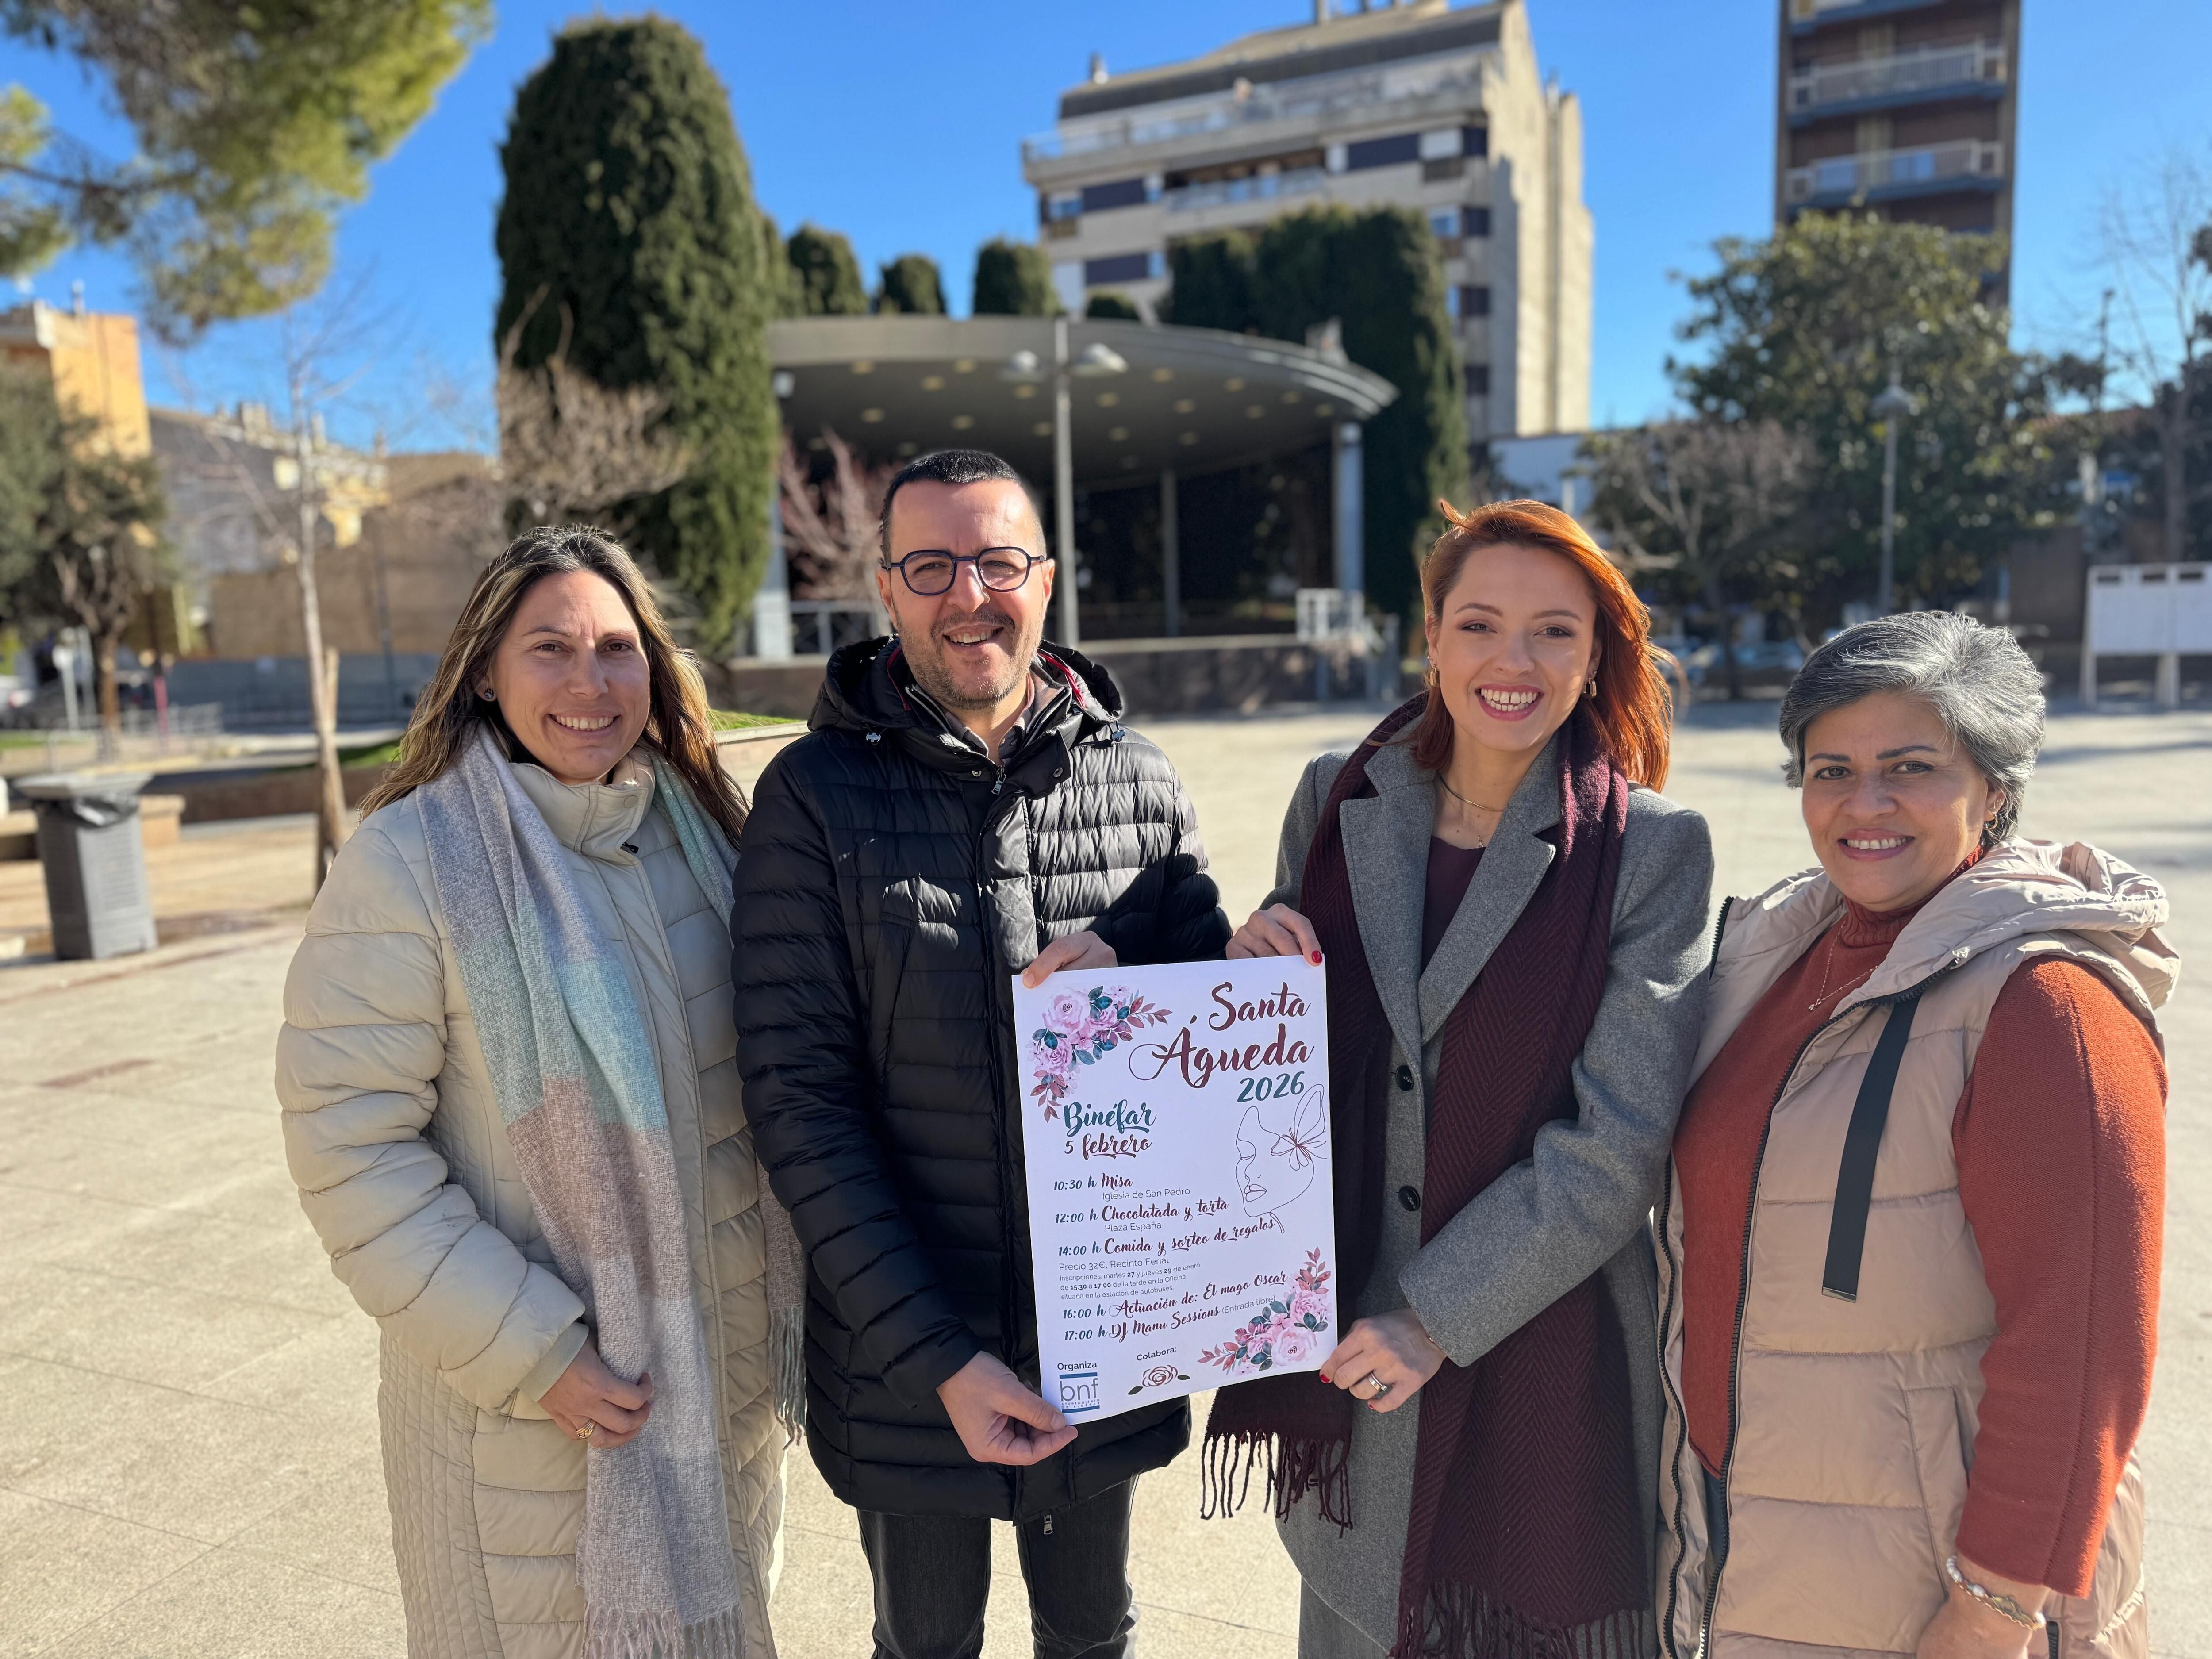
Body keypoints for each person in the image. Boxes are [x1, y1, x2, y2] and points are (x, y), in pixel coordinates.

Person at [731, 447, 1228, 1659]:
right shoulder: (812, 797)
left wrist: (1189, 974)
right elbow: (801, 1103)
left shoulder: (1143, 782)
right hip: (909, 1357)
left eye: (998, 560)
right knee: (925, 1641)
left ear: (1045, 580)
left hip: (1107, 1340)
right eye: (932, 564)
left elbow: (1218, 1050)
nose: (970, 593)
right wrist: (939, 1355)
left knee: (1092, 1630)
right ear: (887, 588)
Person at [1208, 499, 1715, 1659]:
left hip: (1529, 1335)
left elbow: (1618, 1139)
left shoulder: (1652, 850)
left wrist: (1438, 1316)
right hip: (1340, 1339)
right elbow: (1282, 1049)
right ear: (1431, 638)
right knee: (1356, 1616)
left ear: (1597, 661)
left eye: (1554, 632)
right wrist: (1252, 958)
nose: (1512, 660)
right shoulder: (1339, 794)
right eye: (1480, 623)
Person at [276, 528, 789, 1659]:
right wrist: (536, 1352)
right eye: (548, 648)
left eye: (616, 648)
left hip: (717, 1390)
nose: (588, 682)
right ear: (485, 674)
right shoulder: (411, 864)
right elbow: (350, 1153)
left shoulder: (708, 835)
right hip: (531, 1413)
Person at [1657, 612, 2170, 1659]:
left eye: (1909, 767)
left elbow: (2082, 1356)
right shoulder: (1776, 964)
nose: (1864, 804)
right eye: (1829, 769)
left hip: (1937, 1586)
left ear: (1991, 785)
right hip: (1762, 1547)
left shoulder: (2046, 1003)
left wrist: (1992, 1611)